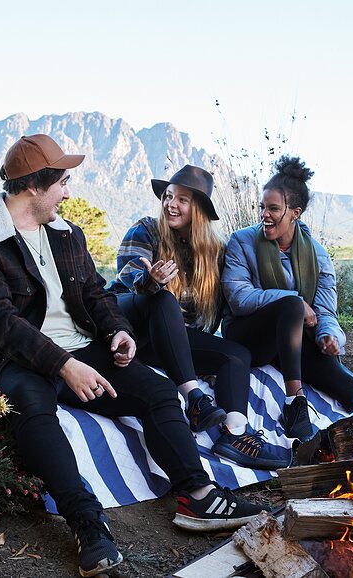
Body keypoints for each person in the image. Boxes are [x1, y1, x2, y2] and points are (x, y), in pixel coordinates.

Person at [0, 135, 268, 577]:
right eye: (63, 181)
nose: (68, 190)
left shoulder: (66, 234)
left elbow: (96, 294)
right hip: (15, 358)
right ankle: (86, 523)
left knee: (157, 390)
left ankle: (197, 495)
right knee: (32, 407)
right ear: (35, 187)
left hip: (81, 348)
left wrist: (116, 330)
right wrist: (63, 364)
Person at [108, 165, 289, 470]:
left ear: (199, 210)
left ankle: (236, 435)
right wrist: (151, 280)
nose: (171, 204)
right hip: (128, 324)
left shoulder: (215, 252)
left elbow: (222, 310)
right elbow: (129, 277)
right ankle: (194, 399)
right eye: (167, 197)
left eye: (182, 199)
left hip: (169, 340)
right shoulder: (147, 229)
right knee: (162, 297)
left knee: (236, 355)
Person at [221, 155, 353, 443]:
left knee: (351, 389)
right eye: (262, 207)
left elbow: (325, 311)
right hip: (249, 336)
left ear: (295, 213)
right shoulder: (242, 241)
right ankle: (294, 402)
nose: (265, 214)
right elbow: (238, 298)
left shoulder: (318, 255)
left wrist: (329, 336)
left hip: (293, 342)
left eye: (273, 208)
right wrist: (295, 301)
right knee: (290, 305)